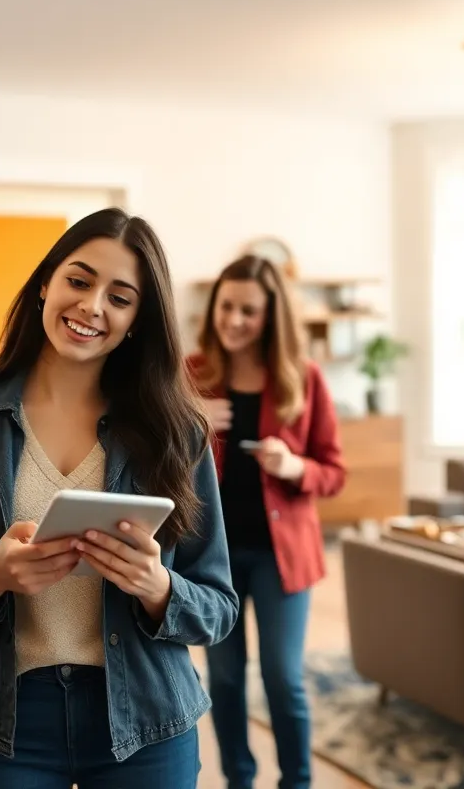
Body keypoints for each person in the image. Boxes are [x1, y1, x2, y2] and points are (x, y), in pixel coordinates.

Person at [0, 208, 237, 788]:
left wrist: (158, 588)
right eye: (79, 281)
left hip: (146, 720)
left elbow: (219, 607)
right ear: (45, 284)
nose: (92, 307)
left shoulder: (177, 432)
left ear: (137, 320)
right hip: (3, 723)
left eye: (120, 297)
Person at [187, 254, 346, 789]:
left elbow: (334, 471)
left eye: (248, 310)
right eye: (226, 306)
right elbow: (151, 454)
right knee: (225, 679)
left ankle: (297, 782)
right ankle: (239, 779)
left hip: (283, 558)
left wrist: (296, 465)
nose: (233, 320)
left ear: (271, 314)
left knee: (283, 679)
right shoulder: (191, 375)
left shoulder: (303, 380)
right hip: (213, 560)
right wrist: (192, 418)